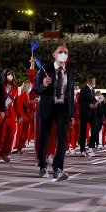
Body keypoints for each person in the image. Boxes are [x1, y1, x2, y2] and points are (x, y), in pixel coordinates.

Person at [34, 45, 75, 182]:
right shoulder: (45, 69)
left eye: (66, 52)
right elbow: (36, 89)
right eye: (60, 52)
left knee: (62, 140)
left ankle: (58, 168)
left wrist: (71, 114)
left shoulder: (69, 71)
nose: (63, 54)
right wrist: (44, 85)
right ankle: (43, 166)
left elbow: (70, 93)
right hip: (47, 108)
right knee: (44, 139)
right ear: (54, 55)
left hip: (62, 109)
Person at [0, 68, 19, 163]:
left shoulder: (15, 88)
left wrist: (18, 115)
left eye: (11, 74)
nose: (10, 76)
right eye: (8, 74)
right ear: (4, 75)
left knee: (11, 133)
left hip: (11, 112)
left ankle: (5, 153)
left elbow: (16, 102)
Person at [78, 75, 98, 157]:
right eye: (93, 82)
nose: (94, 83)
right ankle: (82, 150)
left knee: (95, 129)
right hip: (85, 113)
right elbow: (80, 101)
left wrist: (96, 102)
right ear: (90, 82)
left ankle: (90, 148)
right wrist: (89, 105)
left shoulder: (93, 90)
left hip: (92, 113)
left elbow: (93, 100)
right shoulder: (83, 89)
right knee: (83, 131)